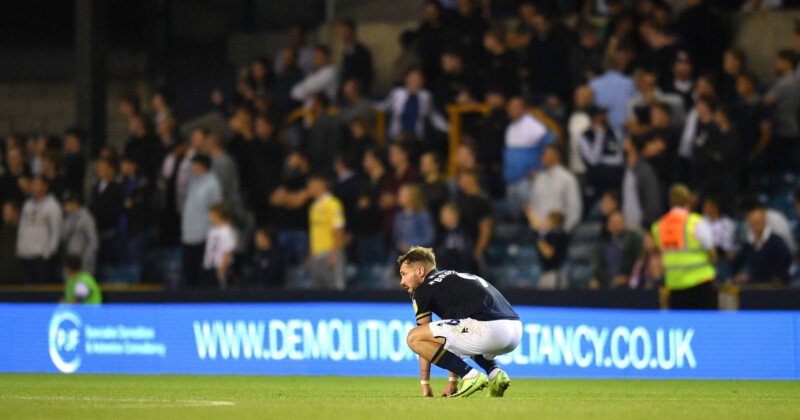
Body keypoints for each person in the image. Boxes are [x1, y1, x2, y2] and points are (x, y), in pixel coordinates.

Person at [400, 247, 521, 398]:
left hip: (490, 329)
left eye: (404, 274)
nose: (402, 282)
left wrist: (425, 384)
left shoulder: (423, 290)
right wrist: (452, 382)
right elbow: (454, 338)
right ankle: (495, 373)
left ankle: (470, 376)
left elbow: (422, 337)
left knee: (414, 337)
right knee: (462, 333)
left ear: (420, 271)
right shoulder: (453, 277)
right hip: (515, 329)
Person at [651, 184, 716, 309]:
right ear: (688, 201)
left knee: (680, 321)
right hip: (700, 283)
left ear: (670, 201)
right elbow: (711, 252)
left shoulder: (659, 226)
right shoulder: (695, 222)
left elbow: (661, 255)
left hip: (675, 285)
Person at [503, 96, 554, 219]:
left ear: (524, 108)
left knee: (531, 216)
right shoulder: (510, 127)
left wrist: (540, 167)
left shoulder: (533, 125)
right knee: (515, 217)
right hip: (511, 181)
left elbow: (551, 145)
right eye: (510, 107)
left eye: (516, 107)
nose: (512, 110)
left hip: (527, 181)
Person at [376, 68, 449, 142]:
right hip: (396, 137)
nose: (415, 81)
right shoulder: (397, 94)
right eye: (413, 78)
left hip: (417, 138)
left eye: (418, 79)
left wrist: (448, 128)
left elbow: (434, 116)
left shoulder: (426, 96)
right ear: (406, 79)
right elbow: (382, 107)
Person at [182, 155, 222, 287]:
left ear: (203, 166)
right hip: (189, 235)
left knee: (204, 275)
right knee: (189, 274)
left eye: (195, 165)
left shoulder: (212, 184)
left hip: (204, 235)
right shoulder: (193, 182)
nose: (193, 168)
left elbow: (217, 209)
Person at [17, 176, 62, 284]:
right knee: (28, 289)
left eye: (37, 184)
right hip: (26, 255)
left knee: (43, 289)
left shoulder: (52, 206)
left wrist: (48, 252)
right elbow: (22, 229)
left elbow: (56, 232)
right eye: (33, 183)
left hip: (42, 257)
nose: (34, 186)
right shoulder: (27, 205)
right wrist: (20, 248)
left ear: (45, 186)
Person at [730, 207, 791, 285]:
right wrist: (736, 275)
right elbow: (736, 262)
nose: (755, 226)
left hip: (774, 286)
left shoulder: (775, 241)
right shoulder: (749, 244)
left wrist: (778, 275)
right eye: (753, 223)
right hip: (755, 285)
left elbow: (786, 258)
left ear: (764, 222)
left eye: (757, 222)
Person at [580, 106, 624, 212]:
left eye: (605, 115)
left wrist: (604, 161)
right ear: (594, 118)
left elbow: (619, 158)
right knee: (593, 208)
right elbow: (593, 160)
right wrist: (600, 135)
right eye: (601, 116)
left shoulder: (615, 132)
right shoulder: (585, 136)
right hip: (597, 178)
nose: (604, 118)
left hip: (614, 176)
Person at [529, 145, 582, 232]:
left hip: (559, 230)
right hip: (539, 229)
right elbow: (533, 203)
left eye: (547, 154)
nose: (544, 157)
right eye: (543, 154)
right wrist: (534, 225)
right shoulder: (539, 178)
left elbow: (574, 205)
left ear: (557, 156)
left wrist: (566, 229)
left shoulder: (567, 178)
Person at [307, 173, 346, 290]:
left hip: (329, 254)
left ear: (320, 185)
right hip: (316, 256)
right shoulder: (313, 207)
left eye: (310, 186)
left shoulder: (333, 204)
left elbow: (339, 230)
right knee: (317, 292)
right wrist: (310, 255)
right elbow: (314, 233)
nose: (308, 189)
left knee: (335, 290)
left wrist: (334, 254)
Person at [763, 49, 800, 173]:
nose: (775, 64)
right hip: (793, 128)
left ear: (787, 63)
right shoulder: (795, 80)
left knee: (780, 168)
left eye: (778, 61)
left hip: (783, 130)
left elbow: (766, 101)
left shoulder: (784, 83)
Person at [591, 211, 643, 289]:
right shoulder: (603, 243)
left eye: (618, 223)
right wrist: (596, 279)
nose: (616, 226)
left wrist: (628, 277)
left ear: (624, 224)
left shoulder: (633, 240)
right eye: (613, 223)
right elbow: (598, 264)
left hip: (628, 286)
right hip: (606, 285)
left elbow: (640, 260)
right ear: (608, 226)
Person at [622, 137, 663, 229]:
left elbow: (652, 198)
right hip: (626, 224)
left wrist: (648, 223)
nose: (624, 142)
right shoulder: (626, 168)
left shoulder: (645, 171)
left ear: (633, 146)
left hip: (642, 225)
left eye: (627, 140)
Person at [589, 54, 637, 132]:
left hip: (606, 130)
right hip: (621, 129)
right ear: (620, 64)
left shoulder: (593, 83)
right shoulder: (630, 82)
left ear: (604, 65)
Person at [524, 208, 569, 289]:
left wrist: (540, 240)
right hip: (546, 272)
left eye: (548, 219)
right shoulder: (548, 234)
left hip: (555, 274)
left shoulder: (560, 235)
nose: (546, 222)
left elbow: (548, 253)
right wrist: (529, 212)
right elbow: (537, 227)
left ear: (553, 221)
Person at [457, 170, 493, 270]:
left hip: (477, 250)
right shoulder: (462, 200)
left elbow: (486, 228)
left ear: (472, 179)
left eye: (462, 178)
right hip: (464, 248)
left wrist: (477, 251)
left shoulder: (482, 199)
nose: (459, 181)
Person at [118, 156, 150, 266]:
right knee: (123, 264)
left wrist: (132, 204)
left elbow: (143, 204)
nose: (122, 166)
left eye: (125, 164)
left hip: (137, 230)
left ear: (133, 165)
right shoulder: (122, 181)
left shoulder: (143, 182)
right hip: (122, 228)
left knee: (135, 264)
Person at [61, 190, 98, 275]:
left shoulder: (86, 217)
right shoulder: (66, 218)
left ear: (75, 202)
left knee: (83, 282)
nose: (66, 206)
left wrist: (87, 258)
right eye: (65, 204)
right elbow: (63, 238)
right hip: (70, 260)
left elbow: (93, 241)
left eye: (68, 203)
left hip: (83, 260)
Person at [393, 184, 435, 256]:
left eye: (402, 195)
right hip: (400, 255)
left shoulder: (422, 215)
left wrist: (411, 245)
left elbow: (429, 237)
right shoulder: (399, 216)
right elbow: (396, 238)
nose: (399, 197)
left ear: (411, 197)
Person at [203, 203, 236, 289]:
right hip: (210, 266)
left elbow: (227, 251)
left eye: (211, 214)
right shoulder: (212, 231)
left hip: (220, 266)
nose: (209, 216)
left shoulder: (226, 231)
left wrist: (223, 268)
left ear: (217, 215)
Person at [337, 19, 374, 92]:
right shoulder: (346, 52)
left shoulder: (362, 52)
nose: (341, 35)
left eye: (343, 32)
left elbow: (366, 76)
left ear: (350, 31)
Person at [436, 203, 473, 273]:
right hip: (447, 273)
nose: (441, 218)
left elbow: (464, 259)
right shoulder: (444, 234)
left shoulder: (462, 233)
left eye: (444, 215)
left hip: (460, 273)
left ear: (454, 215)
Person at [419, 152, 449, 235]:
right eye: (422, 163)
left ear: (436, 165)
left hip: (436, 228)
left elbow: (431, 204)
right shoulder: (421, 185)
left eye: (426, 163)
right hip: (421, 227)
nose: (423, 165)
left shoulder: (442, 186)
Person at [0, 201, 22, 283]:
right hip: (4, 277)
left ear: (16, 213)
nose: (4, 216)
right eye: (4, 213)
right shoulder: (3, 233)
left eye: (7, 213)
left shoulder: (24, 232)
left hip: (20, 277)